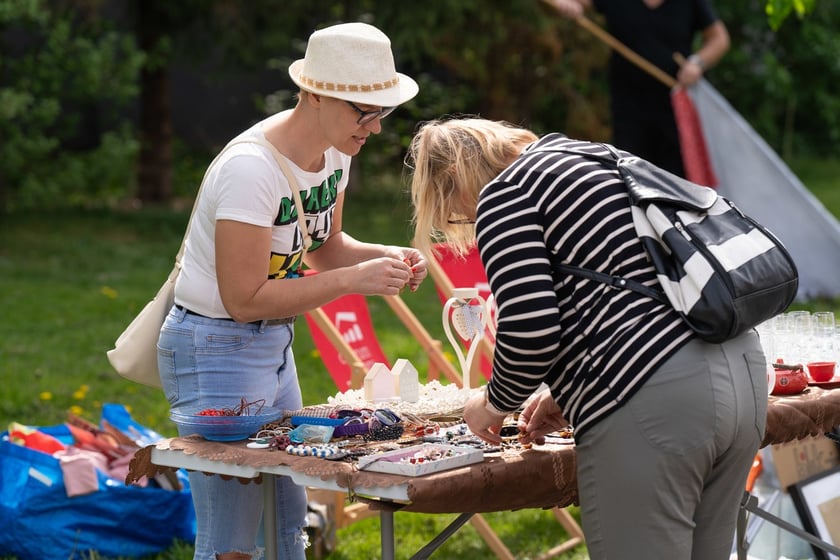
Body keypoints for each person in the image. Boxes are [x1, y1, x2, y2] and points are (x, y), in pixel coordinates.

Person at [407, 117, 767, 560]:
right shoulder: (593, 157)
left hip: (655, 397)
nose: (466, 221)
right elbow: (623, 289)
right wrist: (569, 391)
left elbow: (531, 331)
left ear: (453, 184)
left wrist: (492, 404)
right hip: (742, 373)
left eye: (455, 214)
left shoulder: (504, 195)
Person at [157, 22, 425, 560]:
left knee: (285, 529)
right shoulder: (249, 170)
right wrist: (352, 281)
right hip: (215, 344)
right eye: (362, 112)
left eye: (382, 113)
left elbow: (326, 246)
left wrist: (383, 256)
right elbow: (244, 298)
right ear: (315, 94)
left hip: (269, 344)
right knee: (232, 540)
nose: (373, 129)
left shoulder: (335, 150)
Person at [546, 0, 730, 178]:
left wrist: (697, 64)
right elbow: (573, 2)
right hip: (629, 105)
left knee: (678, 178)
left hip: (676, 107)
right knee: (634, 174)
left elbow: (719, 38)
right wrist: (566, 4)